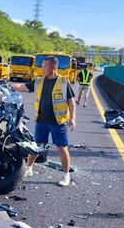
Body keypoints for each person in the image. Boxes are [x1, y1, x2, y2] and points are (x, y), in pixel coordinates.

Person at [12, 56, 76, 187]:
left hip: (58, 122)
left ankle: (66, 176)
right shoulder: (39, 81)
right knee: (37, 145)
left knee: (62, 148)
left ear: (53, 67)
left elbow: (71, 102)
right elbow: (23, 87)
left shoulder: (64, 82)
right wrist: (9, 85)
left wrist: (73, 119)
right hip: (41, 121)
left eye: (44, 66)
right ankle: (29, 168)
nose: (42, 68)